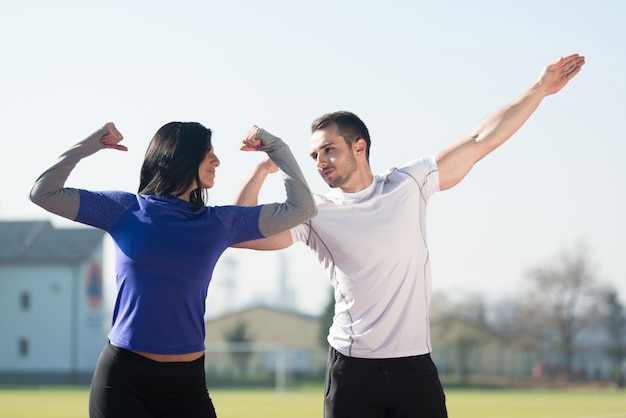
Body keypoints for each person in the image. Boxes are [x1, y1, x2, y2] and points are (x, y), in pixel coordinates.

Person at [232, 53, 585, 418]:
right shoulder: (314, 212)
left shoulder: (409, 183)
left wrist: (540, 88)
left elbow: (479, 139)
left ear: (360, 146)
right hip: (352, 371)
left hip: (414, 369)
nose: (320, 162)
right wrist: (260, 171)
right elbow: (241, 233)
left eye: (329, 150)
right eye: (314, 156)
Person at [30, 121, 317, 418]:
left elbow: (302, 209)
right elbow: (43, 193)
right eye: (208, 153)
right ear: (183, 157)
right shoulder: (124, 209)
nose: (217, 162)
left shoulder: (219, 223)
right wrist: (91, 143)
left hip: (187, 387)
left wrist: (277, 148)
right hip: (122, 381)